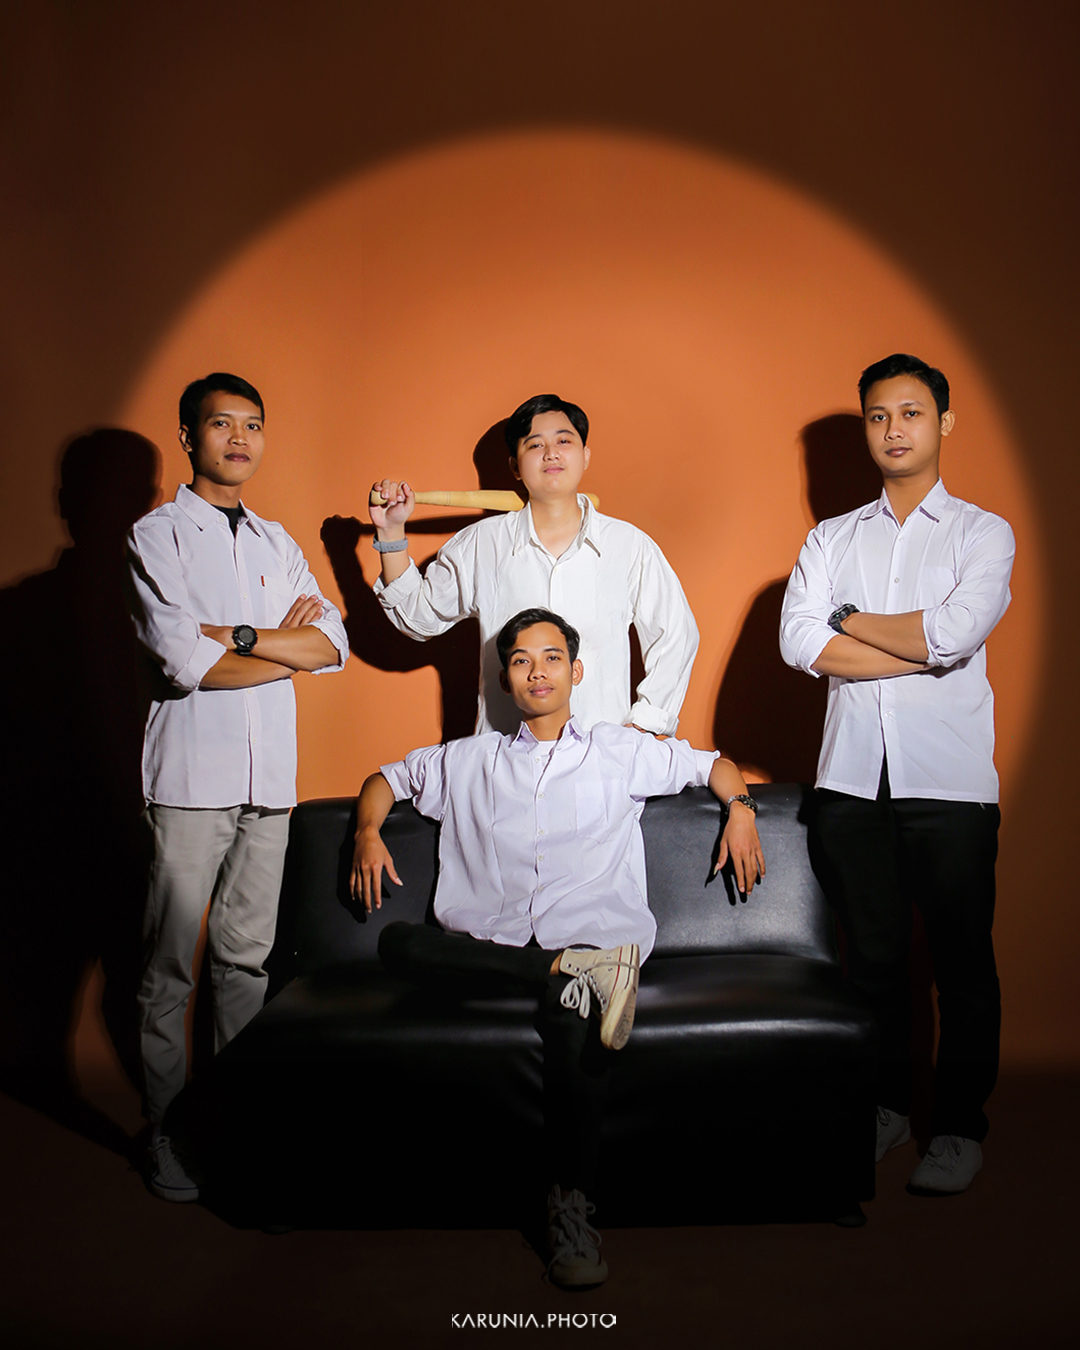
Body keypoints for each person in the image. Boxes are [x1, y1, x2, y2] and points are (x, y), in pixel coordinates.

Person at [353, 606, 764, 1287]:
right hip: (497, 953)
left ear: (574, 673)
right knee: (401, 942)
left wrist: (743, 811)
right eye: (520, 660)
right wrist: (368, 832)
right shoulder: (467, 760)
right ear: (505, 678)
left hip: (592, 943)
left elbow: (711, 765)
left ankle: (569, 1206)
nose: (536, 671)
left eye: (550, 658)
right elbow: (385, 781)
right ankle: (564, 969)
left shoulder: (619, 749)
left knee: (573, 1008)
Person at [780, 353, 1014, 1195]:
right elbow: (797, 644)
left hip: (949, 787)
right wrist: (913, 647)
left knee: (961, 965)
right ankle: (883, 1110)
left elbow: (954, 635)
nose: (894, 430)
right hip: (851, 783)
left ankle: (958, 1128)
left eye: (910, 414)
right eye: (879, 416)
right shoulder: (830, 537)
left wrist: (849, 624)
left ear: (943, 424)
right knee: (870, 963)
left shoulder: (982, 533)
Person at [126, 373, 349, 1202]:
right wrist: (276, 647)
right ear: (189, 436)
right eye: (222, 424)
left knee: (247, 963)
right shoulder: (155, 538)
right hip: (190, 778)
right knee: (169, 970)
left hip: (271, 782)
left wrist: (247, 636)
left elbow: (332, 647)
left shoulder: (275, 539)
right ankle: (169, 1133)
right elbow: (189, 664)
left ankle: (237, 1123)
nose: (240, 439)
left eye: (253, 425)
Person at [368, 393, 699, 735]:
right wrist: (390, 532)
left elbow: (676, 633)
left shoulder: (629, 546)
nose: (551, 452)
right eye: (535, 445)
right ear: (515, 466)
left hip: (603, 767)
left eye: (564, 440)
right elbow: (419, 620)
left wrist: (645, 727)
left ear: (585, 456)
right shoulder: (482, 544)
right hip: (506, 765)